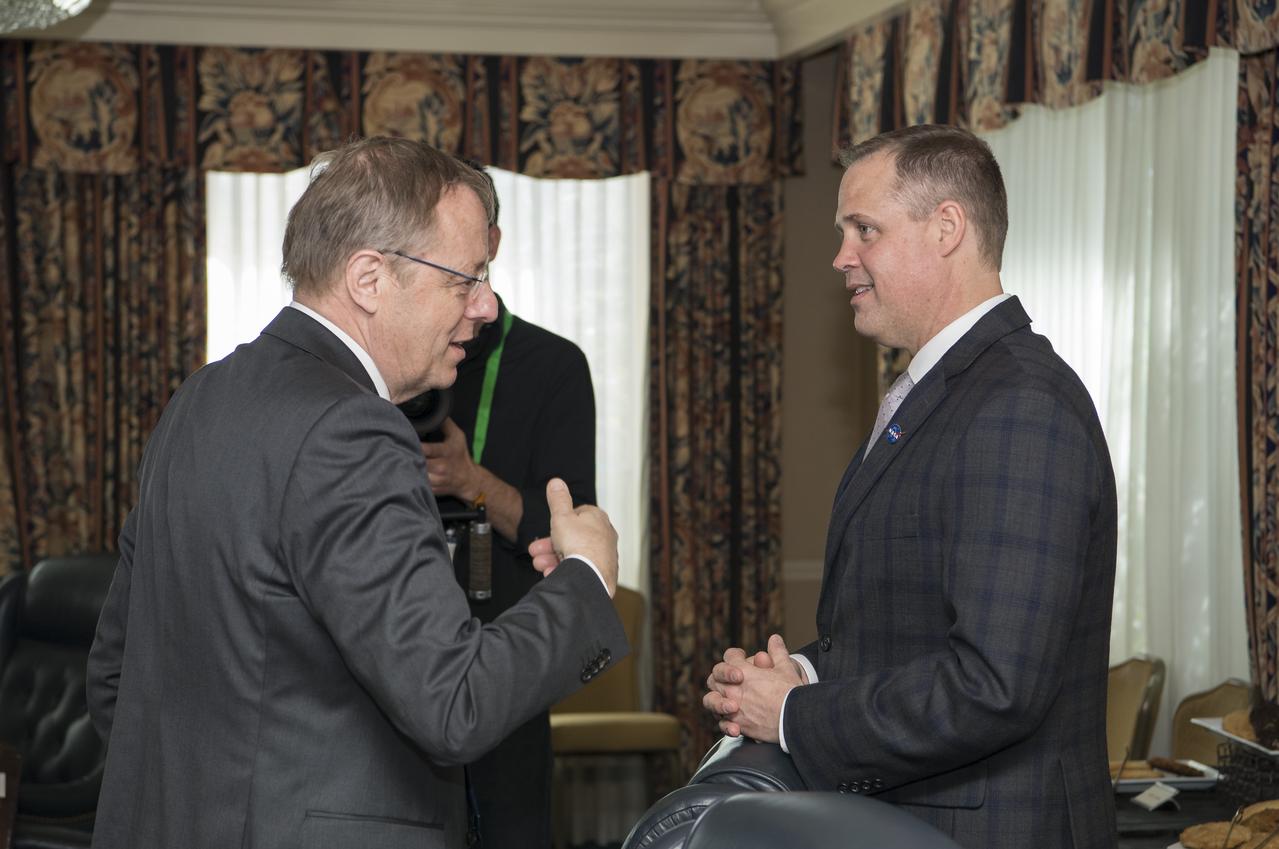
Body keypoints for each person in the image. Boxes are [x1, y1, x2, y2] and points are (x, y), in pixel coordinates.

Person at [86, 136, 627, 849]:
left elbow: (114, 677)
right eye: (466, 279)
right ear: (369, 278)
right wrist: (587, 579)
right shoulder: (352, 430)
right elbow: (454, 701)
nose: (486, 306)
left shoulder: (200, 396)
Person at [703, 124, 1118, 849]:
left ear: (946, 228)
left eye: (864, 229)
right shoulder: (942, 392)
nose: (841, 257)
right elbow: (902, 627)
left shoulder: (1018, 403)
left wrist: (796, 716)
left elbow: (994, 684)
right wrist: (795, 671)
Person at [415, 161, 596, 849]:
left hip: (504, 652)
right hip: (398, 650)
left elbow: (567, 530)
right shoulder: (390, 365)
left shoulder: (551, 365)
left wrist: (467, 477)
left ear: (491, 239)